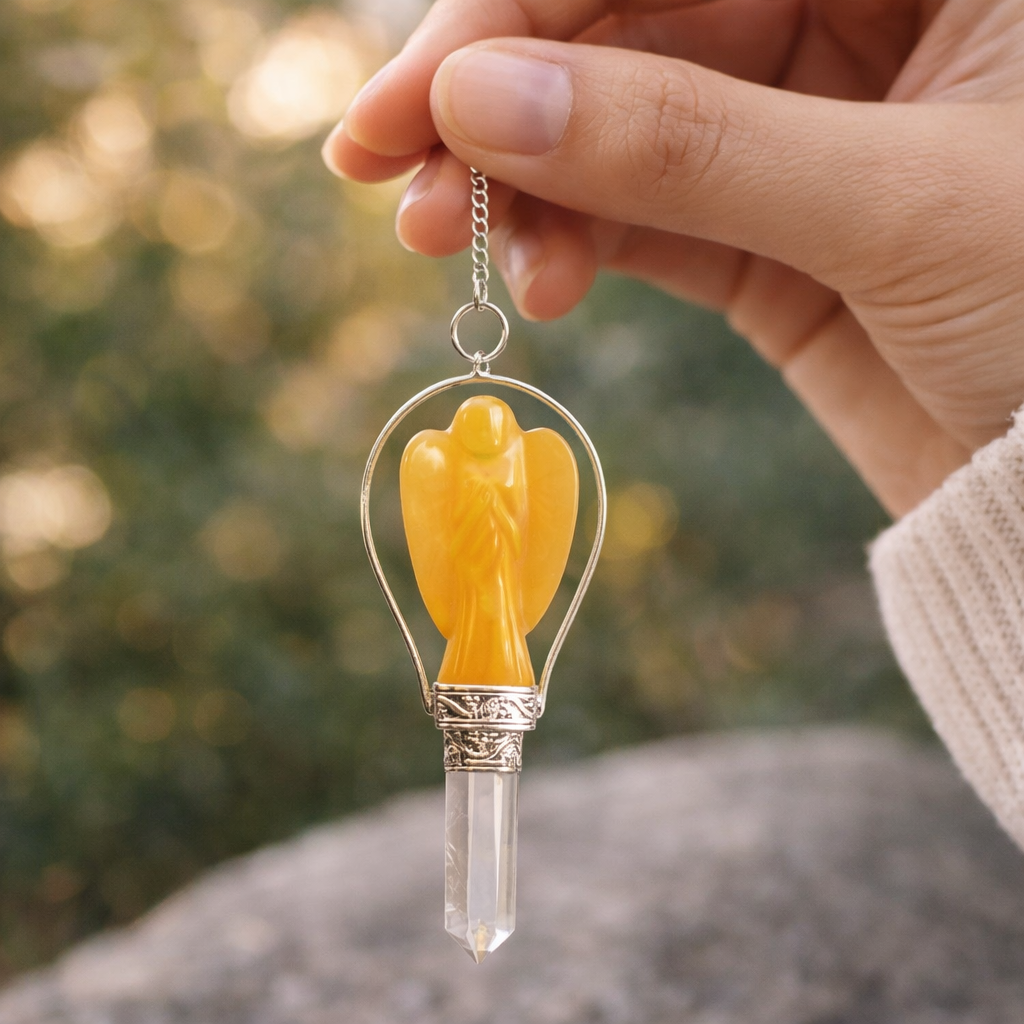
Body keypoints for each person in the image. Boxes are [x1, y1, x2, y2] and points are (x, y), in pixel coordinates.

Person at [323, 0, 1024, 850]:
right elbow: (446, 547)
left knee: (499, 614)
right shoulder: (435, 464)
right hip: (472, 611)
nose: (484, 436)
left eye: (491, 431)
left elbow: (528, 535)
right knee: (478, 616)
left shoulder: (534, 458)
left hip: (504, 611)